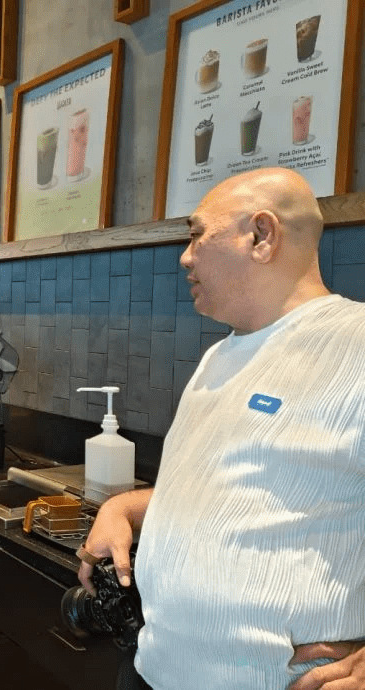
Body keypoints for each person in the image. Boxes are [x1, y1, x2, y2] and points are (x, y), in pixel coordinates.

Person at [77, 167, 365, 690]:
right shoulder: (218, 357)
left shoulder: (357, 345)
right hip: (151, 671)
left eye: (196, 234)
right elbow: (224, 494)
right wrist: (122, 507)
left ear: (261, 235)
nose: (185, 257)